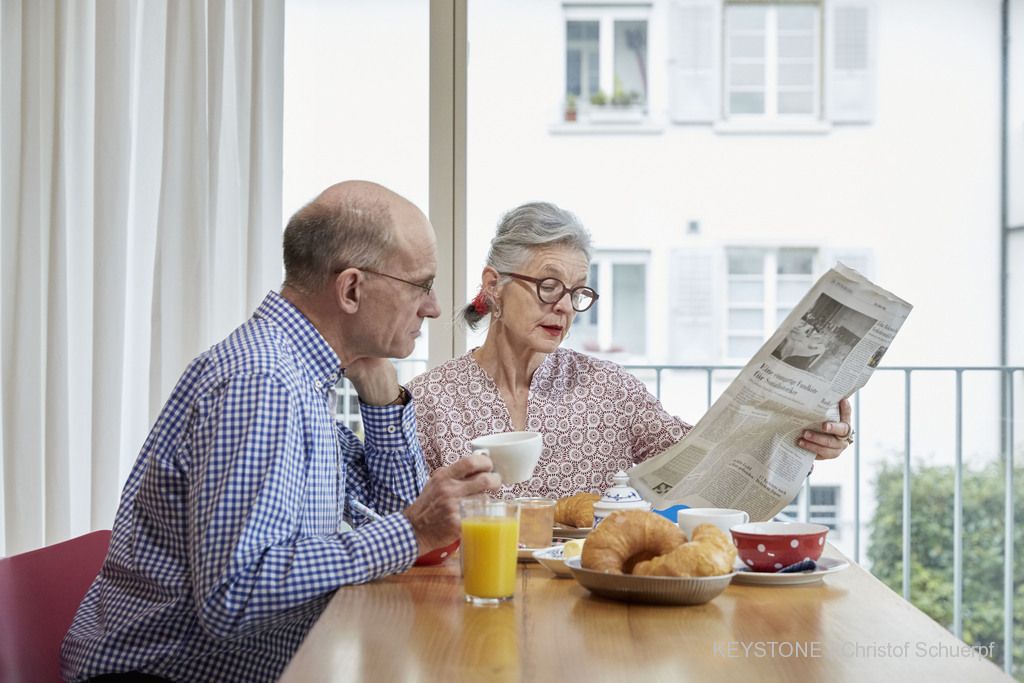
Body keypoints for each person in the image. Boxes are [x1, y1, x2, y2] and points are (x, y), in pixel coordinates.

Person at [61, 181, 500, 682]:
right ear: (352, 289)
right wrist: (413, 528)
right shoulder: (263, 383)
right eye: (421, 284)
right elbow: (236, 594)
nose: (435, 307)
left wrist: (382, 398)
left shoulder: (303, 374)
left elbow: (394, 513)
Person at [409, 201, 852, 500]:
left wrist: (798, 437)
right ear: (494, 285)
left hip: (594, 615)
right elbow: (405, 531)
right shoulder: (427, 401)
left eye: (576, 291)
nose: (563, 305)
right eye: (547, 286)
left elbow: (706, 465)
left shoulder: (612, 391)